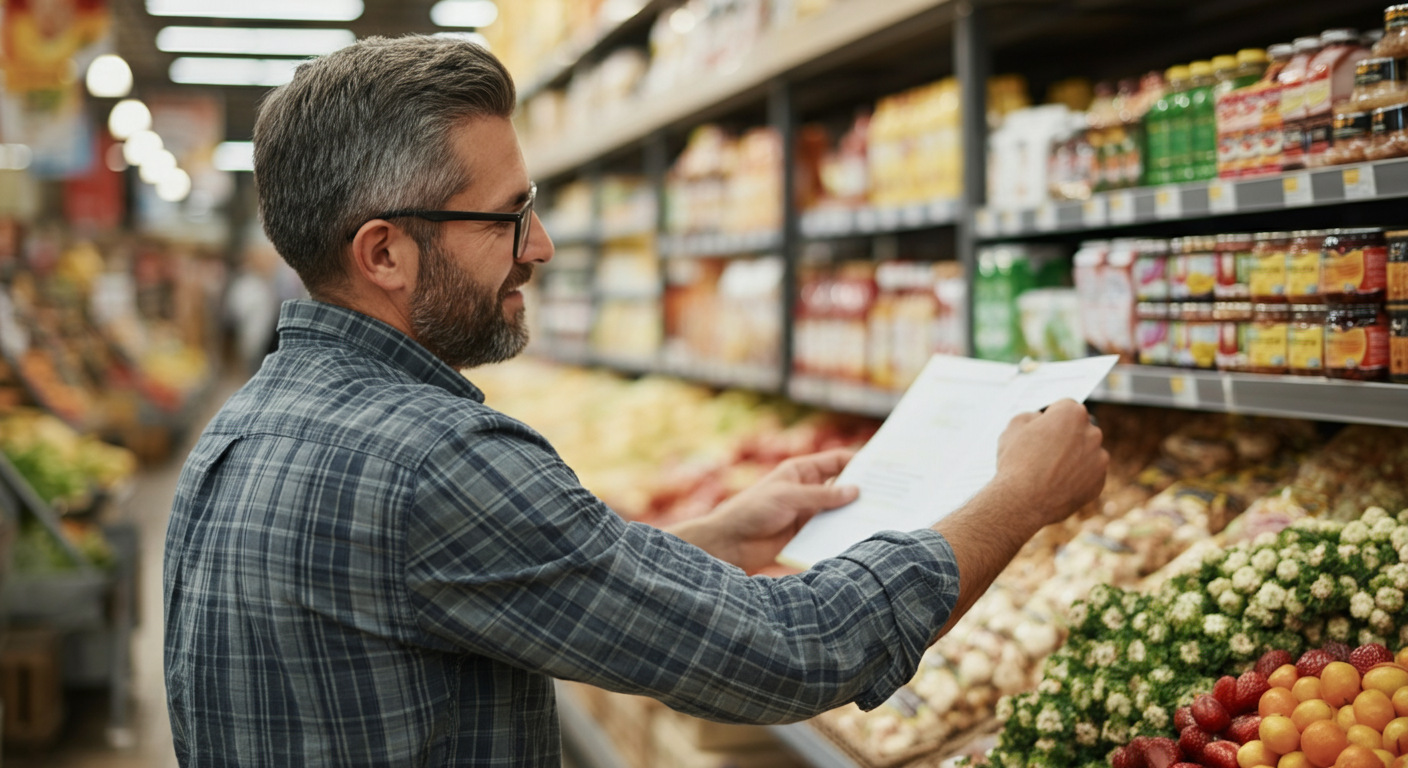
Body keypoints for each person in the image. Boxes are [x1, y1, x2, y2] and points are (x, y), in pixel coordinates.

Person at [163, 36, 1108, 767]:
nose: (540, 247)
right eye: (508, 215)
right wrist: (1017, 495)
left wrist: (714, 539)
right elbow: (797, 652)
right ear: (383, 253)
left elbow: (468, 586)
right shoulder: (438, 460)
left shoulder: (240, 430)